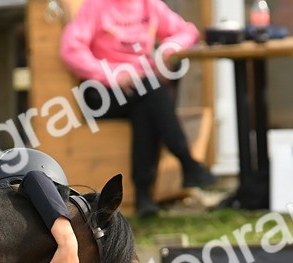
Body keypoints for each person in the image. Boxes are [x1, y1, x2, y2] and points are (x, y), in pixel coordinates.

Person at [59, 0, 216, 217]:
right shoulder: (96, 6)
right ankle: (187, 163)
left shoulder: (149, 5)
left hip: (140, 91)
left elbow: (187, 31)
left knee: (145, 108)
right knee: (152, 90)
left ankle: (143, 196)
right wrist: (112, 74)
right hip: (101, 93)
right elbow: (71, 50)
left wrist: (168, 49)